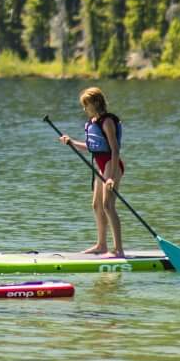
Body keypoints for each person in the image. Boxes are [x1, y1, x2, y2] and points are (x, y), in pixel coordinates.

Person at [59, 86, 125, 256]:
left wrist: (110, 177)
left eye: (86, 104)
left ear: (96, 103)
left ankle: (118, 250)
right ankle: (101, 245)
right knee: (96, 205)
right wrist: (72, 142)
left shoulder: (107, 121)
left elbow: (115, 149)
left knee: (108, 205)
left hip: (112, 164)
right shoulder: (93, 123)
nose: (84, 109)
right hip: (100, 165)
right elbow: (91, 147)